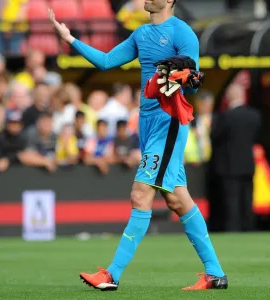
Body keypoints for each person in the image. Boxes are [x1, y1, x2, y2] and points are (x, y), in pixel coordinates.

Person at [48, 0, 227, 291]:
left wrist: (185, 79)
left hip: (168, 121)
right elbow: (106, 62)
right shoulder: (140, 34)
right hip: (146, 124)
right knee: (176, 200)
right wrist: (70, 39)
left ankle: (112, 274)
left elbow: (192, 83)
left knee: (140, 193)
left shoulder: (183, 34)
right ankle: (215, 274)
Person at [209, 83, 262, 232]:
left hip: (228, 166)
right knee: (247, 199)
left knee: (231, 201)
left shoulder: (225, 116)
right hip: (248, 165)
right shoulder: (254, 116)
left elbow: (214, 137)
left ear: (229, 96)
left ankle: (234, 229)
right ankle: (249, 227)